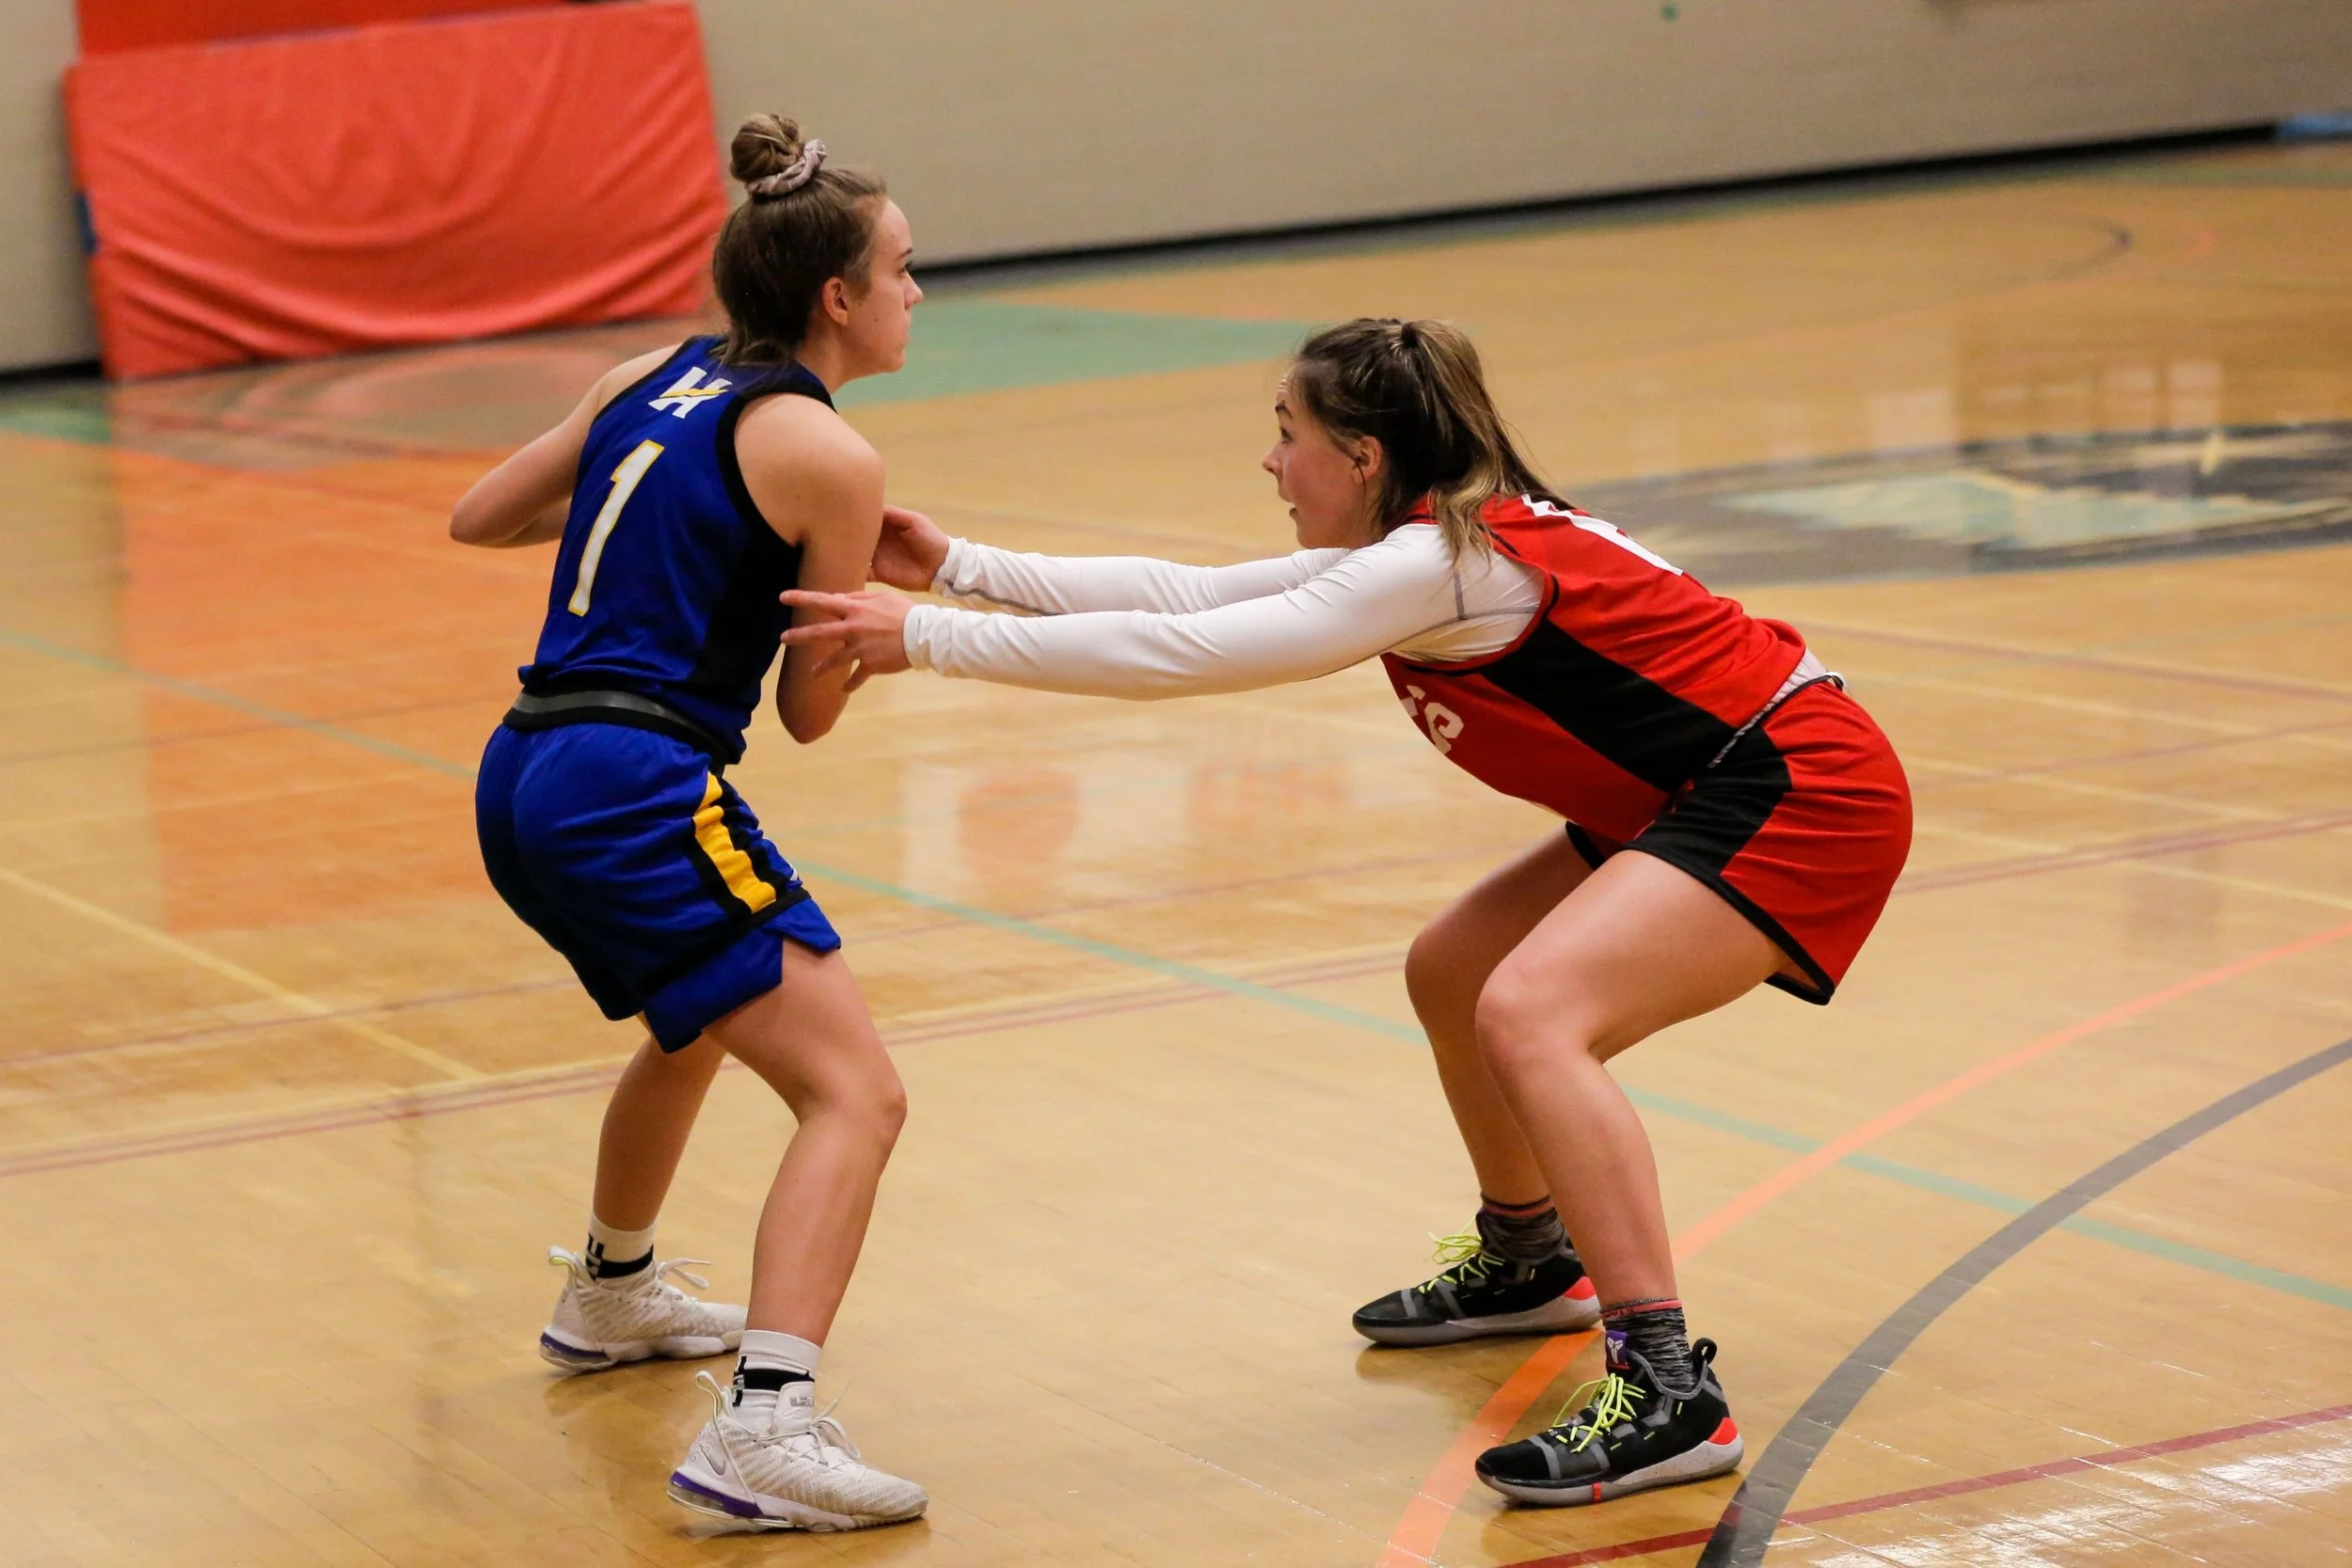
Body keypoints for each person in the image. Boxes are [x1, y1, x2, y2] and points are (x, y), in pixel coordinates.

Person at [778, 317, 1913, 1508]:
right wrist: (959, 565)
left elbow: (1191, 645)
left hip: (1796, 783)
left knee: (1531, 1011)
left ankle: (1669, 1387)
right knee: (1457, 968)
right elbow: (1192, 591)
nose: (1271, 462)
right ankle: (1532, 1257)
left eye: (1288, 434)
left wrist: (930, 636)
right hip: (1702, 779)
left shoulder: (1441, 563)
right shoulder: (1423, 544)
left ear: (1363, 456)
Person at [449, 115, 928, 1532]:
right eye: (904, 270)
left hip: (523, 763)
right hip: (636, 784)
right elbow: (809, 713)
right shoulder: (831, 455)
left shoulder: (639, 376)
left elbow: (481, 516)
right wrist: (873, 608)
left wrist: (661, 519)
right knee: (859, 1090)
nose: (917, 292)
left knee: (699, 1015)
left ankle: (613, 1288)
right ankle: (768, 1426)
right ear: (835, 299)